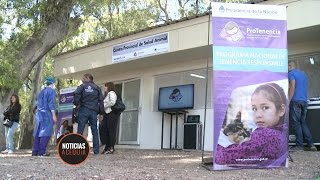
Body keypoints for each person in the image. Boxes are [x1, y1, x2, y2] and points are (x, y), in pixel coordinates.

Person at [215, 83, 288, 167]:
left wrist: (216, 145)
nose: (258, 115)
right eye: (254, 109)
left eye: (265, 107)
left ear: (281, 110)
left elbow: (222, 157)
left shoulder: (267, 134)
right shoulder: (284, 132)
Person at [288, 61, 317, 151]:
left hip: (296, 101)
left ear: (290, 66)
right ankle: (311, 144)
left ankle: (299, 146)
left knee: (296, 124)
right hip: (304, 101)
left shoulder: (291, 74)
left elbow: (292, 87)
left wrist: (288, 100)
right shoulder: (303, 75)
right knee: (302, 123)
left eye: (287, 67)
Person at [73, 74, 103, 155]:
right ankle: (96, 151)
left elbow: (76, 95)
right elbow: (101, 101)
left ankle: (77, 150)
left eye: (83, 78)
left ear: (88, 78)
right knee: (94, 131)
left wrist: (77, 104)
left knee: (80, 130)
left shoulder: (82, 86)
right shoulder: (97, 88)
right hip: (93, 111)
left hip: (84, 110)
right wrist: (101, 112)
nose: (82, 79)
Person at [32, 76, 58, 156]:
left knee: (38, 132)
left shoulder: (41, 92)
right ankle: (42, 151)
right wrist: (54, 115)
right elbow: (51, 104)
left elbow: (38, 104)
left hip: (39, 114)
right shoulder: (52, 91)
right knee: (46, 132)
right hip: (47, 114)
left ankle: (35, 151)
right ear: (53, 83)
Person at [100, 82, 121, 154]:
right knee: (105, 130)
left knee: (111, 131)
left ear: (109, 87)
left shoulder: (111, 93)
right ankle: (107, 146)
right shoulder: (107, 94)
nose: (104, 88)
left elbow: (112, 102)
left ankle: (111, 147)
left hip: (111, 114)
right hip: (107, 114)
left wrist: (104, 106)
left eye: (105, 86)